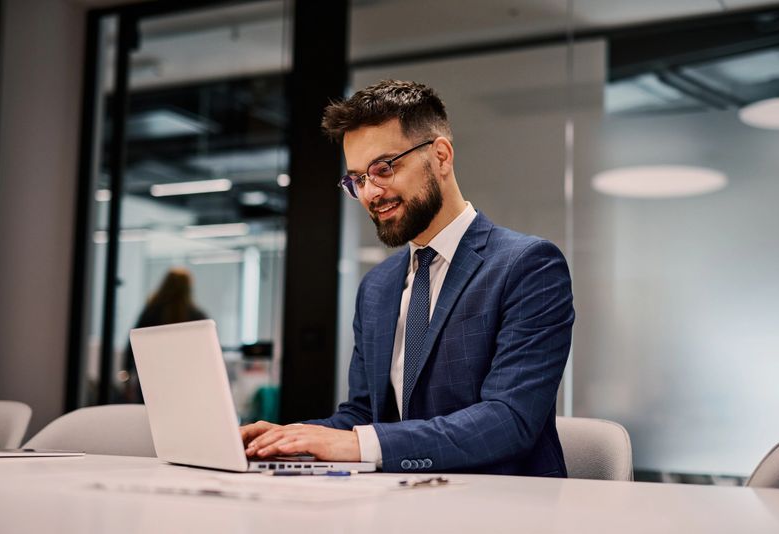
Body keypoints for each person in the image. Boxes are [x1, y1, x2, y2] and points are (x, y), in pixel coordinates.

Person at [241, 80, 575, 476]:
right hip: (402, 501)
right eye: (357, 179)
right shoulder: (378, 287)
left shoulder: (527, 266)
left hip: (506, 506)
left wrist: (358, 442)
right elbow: (364, 414)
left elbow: (508, 420)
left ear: (441, 156)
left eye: (383, 169)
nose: (369, 193)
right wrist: (285, 438)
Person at [122, 267, 208, 402]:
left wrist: (127, 374)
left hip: (150, 377)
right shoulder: (196, 316)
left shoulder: (151, 312)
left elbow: (133, 344)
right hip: (183, 380)